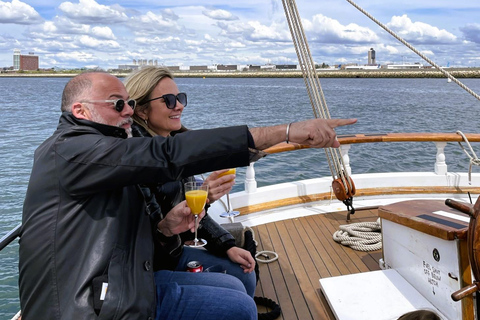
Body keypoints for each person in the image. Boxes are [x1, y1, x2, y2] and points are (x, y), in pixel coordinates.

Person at [18, 70, 357, 320]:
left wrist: (169, 227)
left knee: (237, 286)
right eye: (117, 104)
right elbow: (168, 155)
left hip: (124, 281)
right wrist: (285, 132)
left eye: (129, 103)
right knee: (239, 305)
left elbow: (171, 171)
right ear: (80, 111)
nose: (126, 110)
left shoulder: (109, 152)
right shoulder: (74, 151)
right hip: (90, 307)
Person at [123, 66, 256, 297]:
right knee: (239, 283)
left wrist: (226, 244)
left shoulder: (175, 145)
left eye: (180, 97)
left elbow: (188, 210)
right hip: (153, 263)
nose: (180, 105)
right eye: (169, 100)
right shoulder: (137, 159)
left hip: (175, 245)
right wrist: (203, 199)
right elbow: (154, 236)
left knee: (245, 271)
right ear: (142, 111)